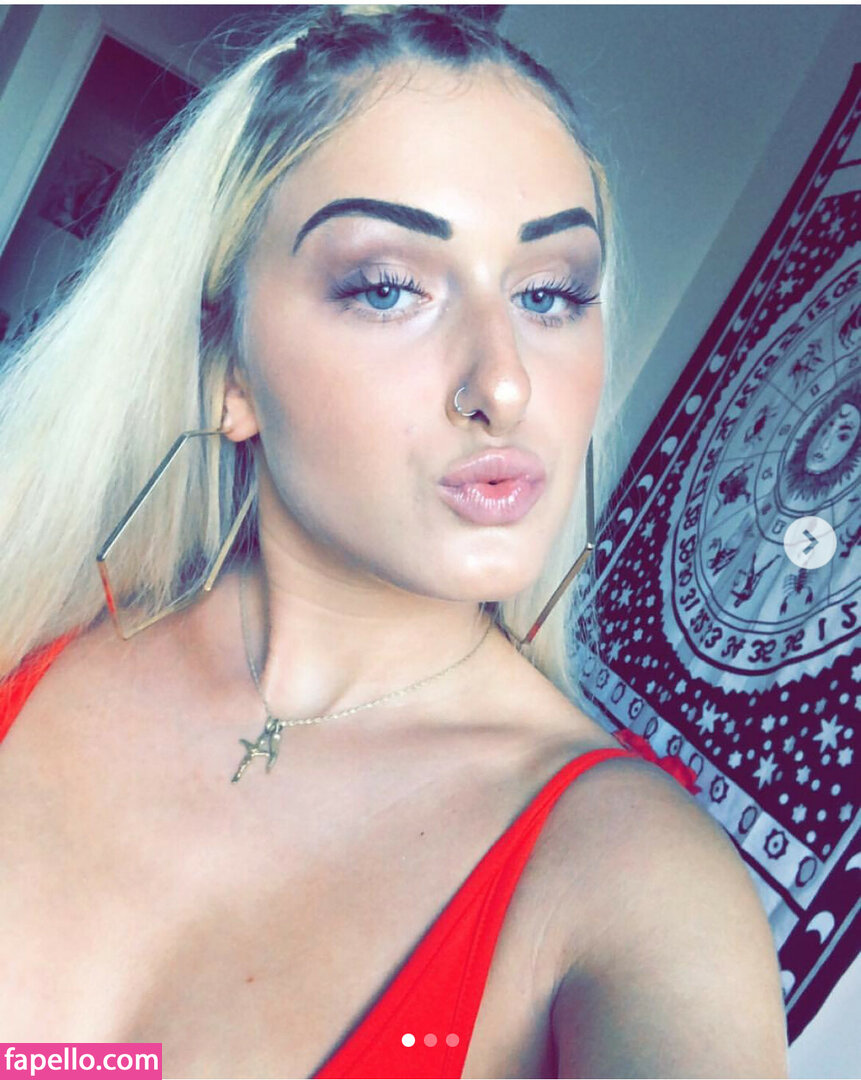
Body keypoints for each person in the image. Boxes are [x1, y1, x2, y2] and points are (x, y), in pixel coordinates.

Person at [0, 6, 789, 1078]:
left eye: (550, 294)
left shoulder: (634, 882)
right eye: (387, 288)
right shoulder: (28, 632)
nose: (504, 383)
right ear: (230, 370)